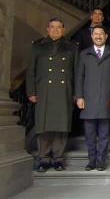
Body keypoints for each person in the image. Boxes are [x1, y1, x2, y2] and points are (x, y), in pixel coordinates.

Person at [26, 18, 78, 172]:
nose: (55, 30)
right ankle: (43, 158)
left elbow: (76, 72)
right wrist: (31, 92)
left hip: (64, 92)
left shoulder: (71, 47)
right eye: (52, 27)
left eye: (59, 27)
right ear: (47, 29)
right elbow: (31, 72)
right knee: (43, 126)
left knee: (61, 126)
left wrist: (76, 93)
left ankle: (58, 158)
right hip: (44, 91)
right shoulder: (38, 46)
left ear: (63, 30)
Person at [75, 25, 110, 171]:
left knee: (104, 134)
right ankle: (91, 160)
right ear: (91, 36)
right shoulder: (84, 54)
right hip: (88, 100)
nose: (98, 36)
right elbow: (79, 77)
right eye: (95, 34)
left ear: (106, 36)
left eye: (101, 34)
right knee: (89, 135)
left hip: (106, 100)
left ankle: (101, 161)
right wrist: (79, 97)